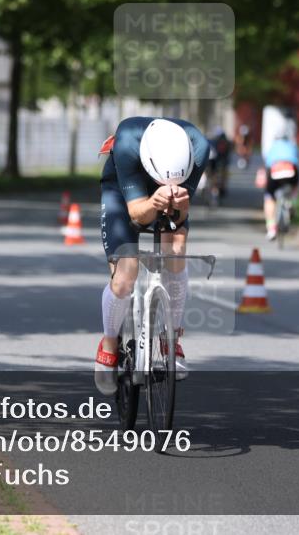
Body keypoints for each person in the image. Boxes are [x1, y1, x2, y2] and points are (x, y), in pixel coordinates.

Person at [95, 117, 210, 396]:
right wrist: (152, 202)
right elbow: (136, 215)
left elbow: (181, 216)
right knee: (126, 274)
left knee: (176, 253)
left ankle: (171, 338)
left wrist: (178, 206)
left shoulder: (199, 148)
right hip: (124, 192)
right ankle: (109, 344)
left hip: (172, 185)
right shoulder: (127, 144)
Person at [262, 132, 299, 241]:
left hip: (275, 169)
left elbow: (267, 163)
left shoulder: (272, 147)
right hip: (291, 169)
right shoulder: (292, 146)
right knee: (295, 186)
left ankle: (271, 228)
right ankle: (292, 203)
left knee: (269, 198)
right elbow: (297, 160)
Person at [205, 127, 232, 200]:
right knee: (213, 175)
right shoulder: (214, 143)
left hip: (219, 160)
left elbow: (227, 155)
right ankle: (214, 188)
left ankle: (219, 188)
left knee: (220, 174)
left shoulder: (226, 144)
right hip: (214, 160)